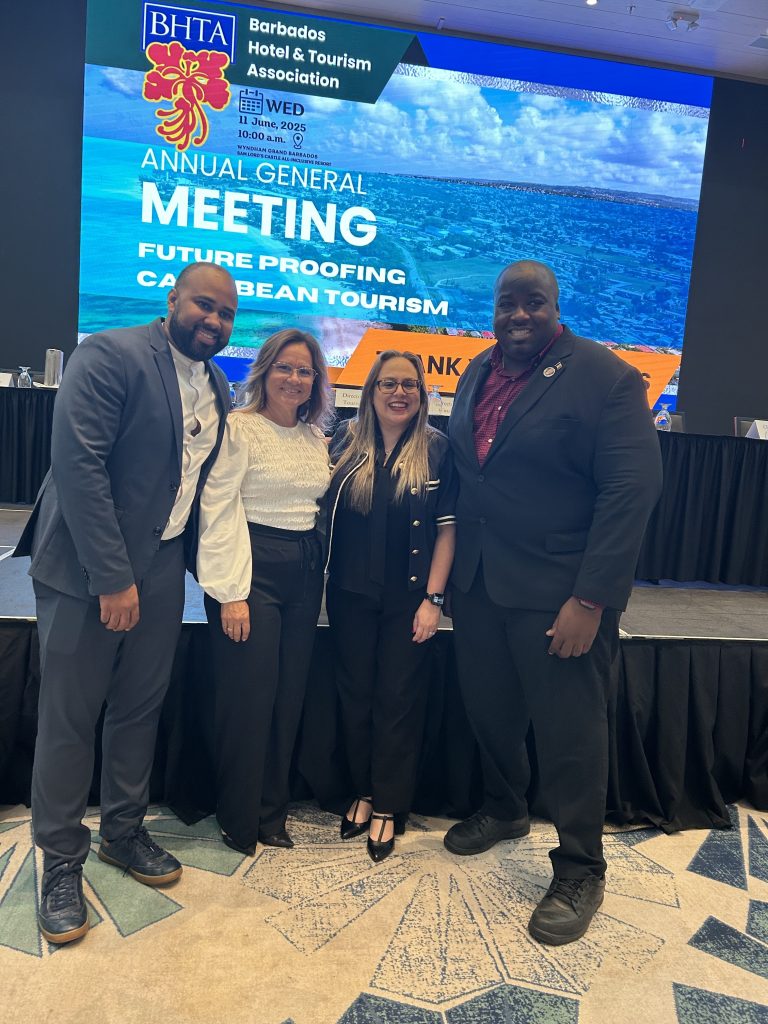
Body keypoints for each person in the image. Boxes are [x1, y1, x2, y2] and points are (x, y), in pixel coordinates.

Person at [13, 262, 237, 944]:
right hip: (88, 569)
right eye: (204, 305)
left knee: (139, 708)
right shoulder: (110, 355)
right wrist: (112, 578)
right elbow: (79, 468)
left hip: (164, 566)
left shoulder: (218, 385)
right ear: (172, 299)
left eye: (227, 314)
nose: (214, 321)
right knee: (71, 718)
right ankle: (59, 859)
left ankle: (123, 831)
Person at [445, 260, 663, 944]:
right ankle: (505, 807)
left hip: (561, 596)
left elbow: (631, 491)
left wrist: (591, 598)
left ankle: (580, 869)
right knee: (490, 712)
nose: (518, 314)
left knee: (570, 735)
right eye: (506, 302)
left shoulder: (606, 376)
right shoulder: (477, 371)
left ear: (556, 306)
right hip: (480, 586)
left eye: (532, 302)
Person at [197, 328, 332, 855]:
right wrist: (230, 592)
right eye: (285, 367)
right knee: (248, 699)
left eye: (305, 371)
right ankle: (238, 816)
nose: (294, 379)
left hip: (304, 572)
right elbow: (216, 509)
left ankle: (272, 813)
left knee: (287, 698)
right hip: (250, 569)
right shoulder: (239, 428)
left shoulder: (315, 436)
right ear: (264, 371)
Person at [325, 351, 457, 862]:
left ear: (422, 394)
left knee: (397, 700)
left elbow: (447, 532)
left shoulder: (437, 448)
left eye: (409, 385)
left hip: (410, 599)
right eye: (388, 384)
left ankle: (388, 804)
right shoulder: (343, 440)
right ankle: (362, 790)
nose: (399, 393)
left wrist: (433, 600)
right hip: (349, 595)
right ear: (371, 390)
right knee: (355, 694)